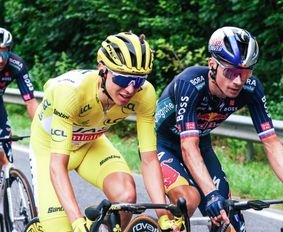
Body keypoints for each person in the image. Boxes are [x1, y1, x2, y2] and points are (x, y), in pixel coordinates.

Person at [155, 26, 283, 230]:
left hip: (201, 147)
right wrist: (210, 195)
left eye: (245, 72)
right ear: (212, 65)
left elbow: (270, 141)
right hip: (163, 145)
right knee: (187, 202)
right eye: (231, 72)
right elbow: (188, 146)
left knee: (230, 218)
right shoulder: (190, 83)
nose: (238, 81)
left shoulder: (251, 88)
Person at [29, 32, 182, 232]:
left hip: (90, 144)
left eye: (138, 81)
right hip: (49, 150)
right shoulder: (71, 93)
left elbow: (149, 159)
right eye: (121, 79)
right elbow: (57, 165)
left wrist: (163, 215)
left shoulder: (145, 95)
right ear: (102, 70)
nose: (129, 89)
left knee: (126, 197)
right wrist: (76, 221)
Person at [0, 27, 38, 172]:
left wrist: (39, 129)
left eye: (4, 52)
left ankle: (7, 176)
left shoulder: (17, 64)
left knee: (4, 139)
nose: (1, 59)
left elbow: (30, 101)